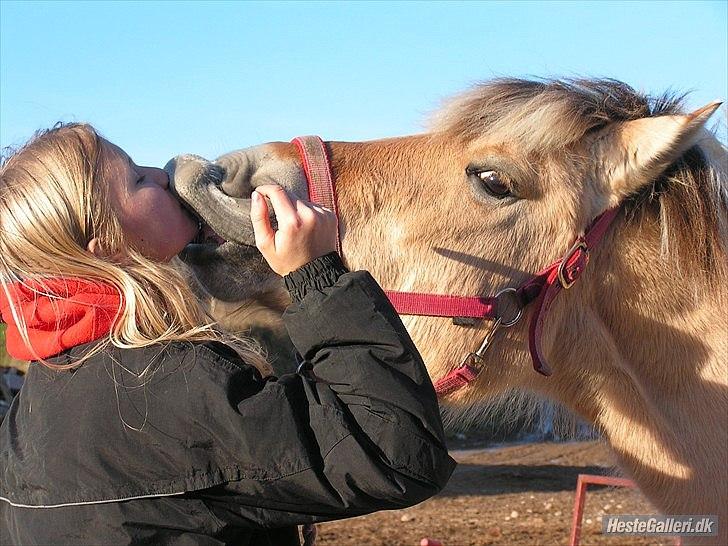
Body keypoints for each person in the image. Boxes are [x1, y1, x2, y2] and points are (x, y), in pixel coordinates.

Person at [0, 123, 456, 545]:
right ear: (109, 248)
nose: (163, 174)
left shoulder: (33, 408)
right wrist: (317, 277)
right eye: (138, 180)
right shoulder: (160, 386)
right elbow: (393, 453)